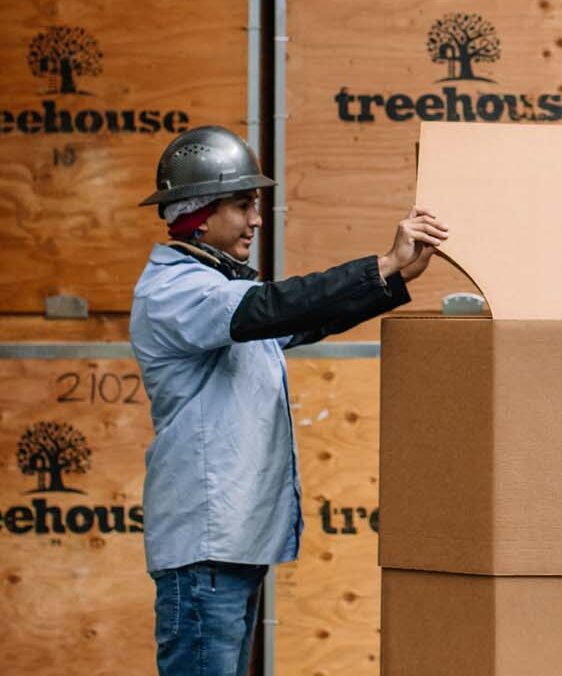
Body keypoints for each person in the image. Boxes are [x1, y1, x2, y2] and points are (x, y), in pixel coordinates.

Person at [129, 125, 448, 676]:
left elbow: (299, 320)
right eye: (242, 204)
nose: (256, 219)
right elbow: (274, 308)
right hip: (206, 551)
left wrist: (391, 281)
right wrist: (381, 266)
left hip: (228, 548)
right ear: (198, 215)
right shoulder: (177, 292)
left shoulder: (220, 292)